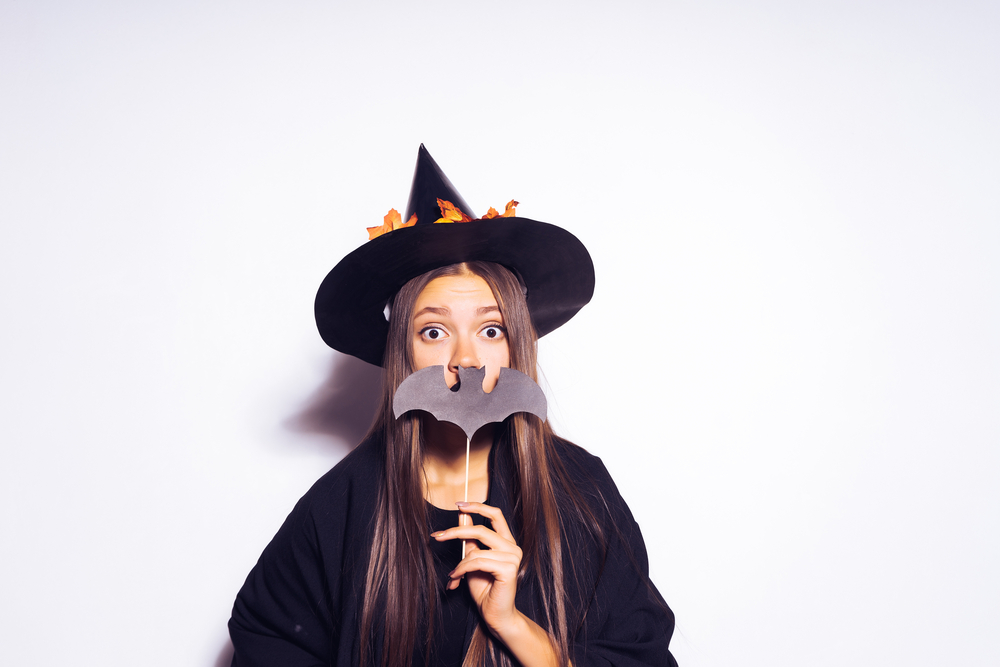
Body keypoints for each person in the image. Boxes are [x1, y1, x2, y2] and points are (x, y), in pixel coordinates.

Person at [228, 146, 679, 667]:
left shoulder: (581, 491)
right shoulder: (344, 501)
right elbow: (268, 639)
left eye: (491, 330)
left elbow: (642, 656)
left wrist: (511, 624)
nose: (465, 358)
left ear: (517, 347)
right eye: (435, 331)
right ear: (403, 351)